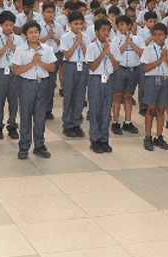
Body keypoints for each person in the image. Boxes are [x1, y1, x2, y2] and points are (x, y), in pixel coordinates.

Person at [13, 21, 56, 159]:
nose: (34, 35)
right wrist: (32, 63)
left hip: (42, 84)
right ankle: (24, 146)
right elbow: (16, 70)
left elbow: (52, 68)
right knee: (25, 115)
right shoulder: (20, 50)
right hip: (26, 84)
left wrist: (40, 63)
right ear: (25, 35)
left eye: (36, 32)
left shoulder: (46, 49)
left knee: (40, 117)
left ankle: (39, 145)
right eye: (30, 32)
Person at [140, 23, 168, 151]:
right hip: (152, 80)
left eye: (161, 35)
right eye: (155, 35)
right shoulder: (148, 50)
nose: (158, 38)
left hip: (166, 80)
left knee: (161, 109)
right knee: (151, 109)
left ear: (166, 36)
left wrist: (166, 59)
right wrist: (160, 60)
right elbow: (146, 68)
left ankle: (159, 136)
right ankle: (148, 136)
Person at [0, 11, 24, 139]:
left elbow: (21, 56)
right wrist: (6, 46)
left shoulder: (18, 39)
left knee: (13, 100)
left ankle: (12, 125)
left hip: (14, 71)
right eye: (6, 25)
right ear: (1, 25)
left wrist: (12, 46)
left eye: (11, 25)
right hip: (0, 72)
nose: (9, 28)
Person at [86, 18, 121, 153]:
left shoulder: (114, 46)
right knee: (95, 110)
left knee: (106, 111)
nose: (106, 33)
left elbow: (116, 66)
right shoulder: (91, 47)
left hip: (109, 79)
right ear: (96, 32)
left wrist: (109, 53)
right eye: (103, 30)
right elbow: (92, 67)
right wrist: (103, 53)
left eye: (108, 30)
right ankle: (94, 140)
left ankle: (104, 139)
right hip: (96, 79)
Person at [111, 15, 143, 135]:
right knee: (117, 96)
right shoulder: (115, 40)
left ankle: (128, 122)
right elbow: (115, 54)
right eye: (118, 25)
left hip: (133, 70)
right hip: (120, 70)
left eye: (123, 25)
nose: (120, 27)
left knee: (128, 96)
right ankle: (115, 122)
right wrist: (126, 43)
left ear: (129, 26)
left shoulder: (138, 39)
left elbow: (142, 52)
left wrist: (131, 43)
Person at [60, 10, 88, 138]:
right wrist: (76, 42)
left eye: (81, 23)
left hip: (83, 66)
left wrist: (82, 42)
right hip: (70, 66)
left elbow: (88, 54)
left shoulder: (86, 37)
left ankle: (77, 123)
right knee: (69, 96)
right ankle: (67, 124)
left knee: (80, 96)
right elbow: (66, 55)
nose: (79, 26)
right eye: (76, 24)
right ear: (69, 24)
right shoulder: (65, 37)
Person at [38, 2, 64, 120]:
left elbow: (62, 43)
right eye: (48, 12)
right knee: (42, 83)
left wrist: (53, 37)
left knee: (51, 84)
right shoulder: (39, 26)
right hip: (42, 56)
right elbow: (36, 42)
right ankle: (40, 108)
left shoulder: (58, 26)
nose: (50, 15)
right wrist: (47, 37)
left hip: (54, 55)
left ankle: (48, 109)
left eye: (52, 12)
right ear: (43, 13)